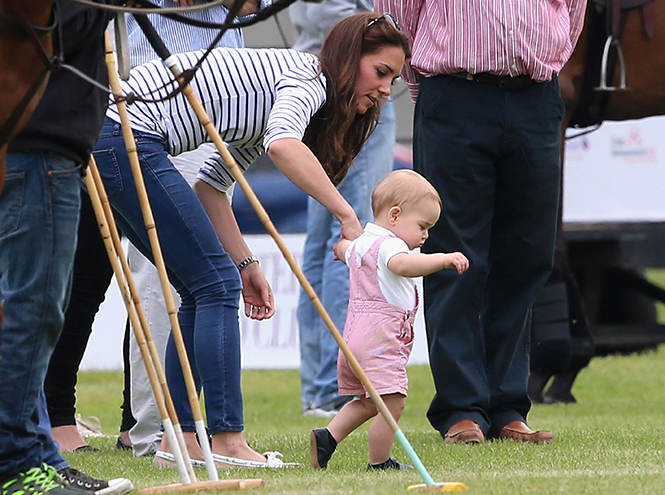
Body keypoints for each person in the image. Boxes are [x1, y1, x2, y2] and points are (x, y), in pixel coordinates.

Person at [90, 12, 411, 467]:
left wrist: (248, 264)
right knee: (214, 286)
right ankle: (228, 441)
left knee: (205, 286)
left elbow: (211, 188)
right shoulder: (308, 79)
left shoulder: (269, 101)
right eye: (380, 72)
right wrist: (346, 214)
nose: (384, 88)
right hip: (126, 135)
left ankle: (177, 440)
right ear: (347, 60)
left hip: (115, 138)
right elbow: (284, 145)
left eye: (393, 78)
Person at [44, 0, 264, 455]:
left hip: (210, 108)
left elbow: (249, 5)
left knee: (169, 278)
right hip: (139, 103)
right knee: (101, 275)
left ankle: (141, 424)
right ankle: (124, 425)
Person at [376, 1, 587, 444]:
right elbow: (400, 12)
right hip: (456, 92)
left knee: (527, 255)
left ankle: (508, 405)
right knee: (452, 254)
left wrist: (544, 59)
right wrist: (433, 86)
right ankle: (461, 409)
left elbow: (572, 11)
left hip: (535, 93)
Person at [0, 1, 134, 494]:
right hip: (39, 152)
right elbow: (50, 26)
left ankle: (36, 456)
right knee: (33, 313)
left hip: (47, 153)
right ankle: (16, 467)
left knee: (32, 312)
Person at [310, 169, 468, 471]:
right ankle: (379, 462)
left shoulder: (363, 243)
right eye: (423, 226)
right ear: (394, 215)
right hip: (380, 339)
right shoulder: (392, 245)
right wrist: (443, 259)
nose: (426, 235)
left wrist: (341, 248)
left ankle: (327, 437)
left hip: (354, 337)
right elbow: (404, 265)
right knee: (392, 402)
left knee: (370, 401)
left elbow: (343, 249)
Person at [290, 0, 397, 418]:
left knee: (323, 248)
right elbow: (337, 19)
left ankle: (322, 387)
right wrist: (383, 47)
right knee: (350, 242)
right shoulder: (367, 69)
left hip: (332, 80)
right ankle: (338, 385)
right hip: (347, 85)